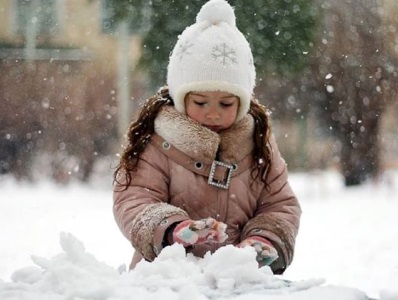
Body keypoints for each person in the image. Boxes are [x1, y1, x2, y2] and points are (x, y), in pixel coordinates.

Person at [113, 0, 301, 275]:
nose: (213, 114)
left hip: (237, 281)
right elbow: (134, 199)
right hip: (167, 280)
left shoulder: (258, 145)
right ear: (180, 98)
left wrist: (263, 240)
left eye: (226, 104)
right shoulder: (157, 144)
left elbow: (279, 204)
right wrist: (173, 229)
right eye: (200, 103)